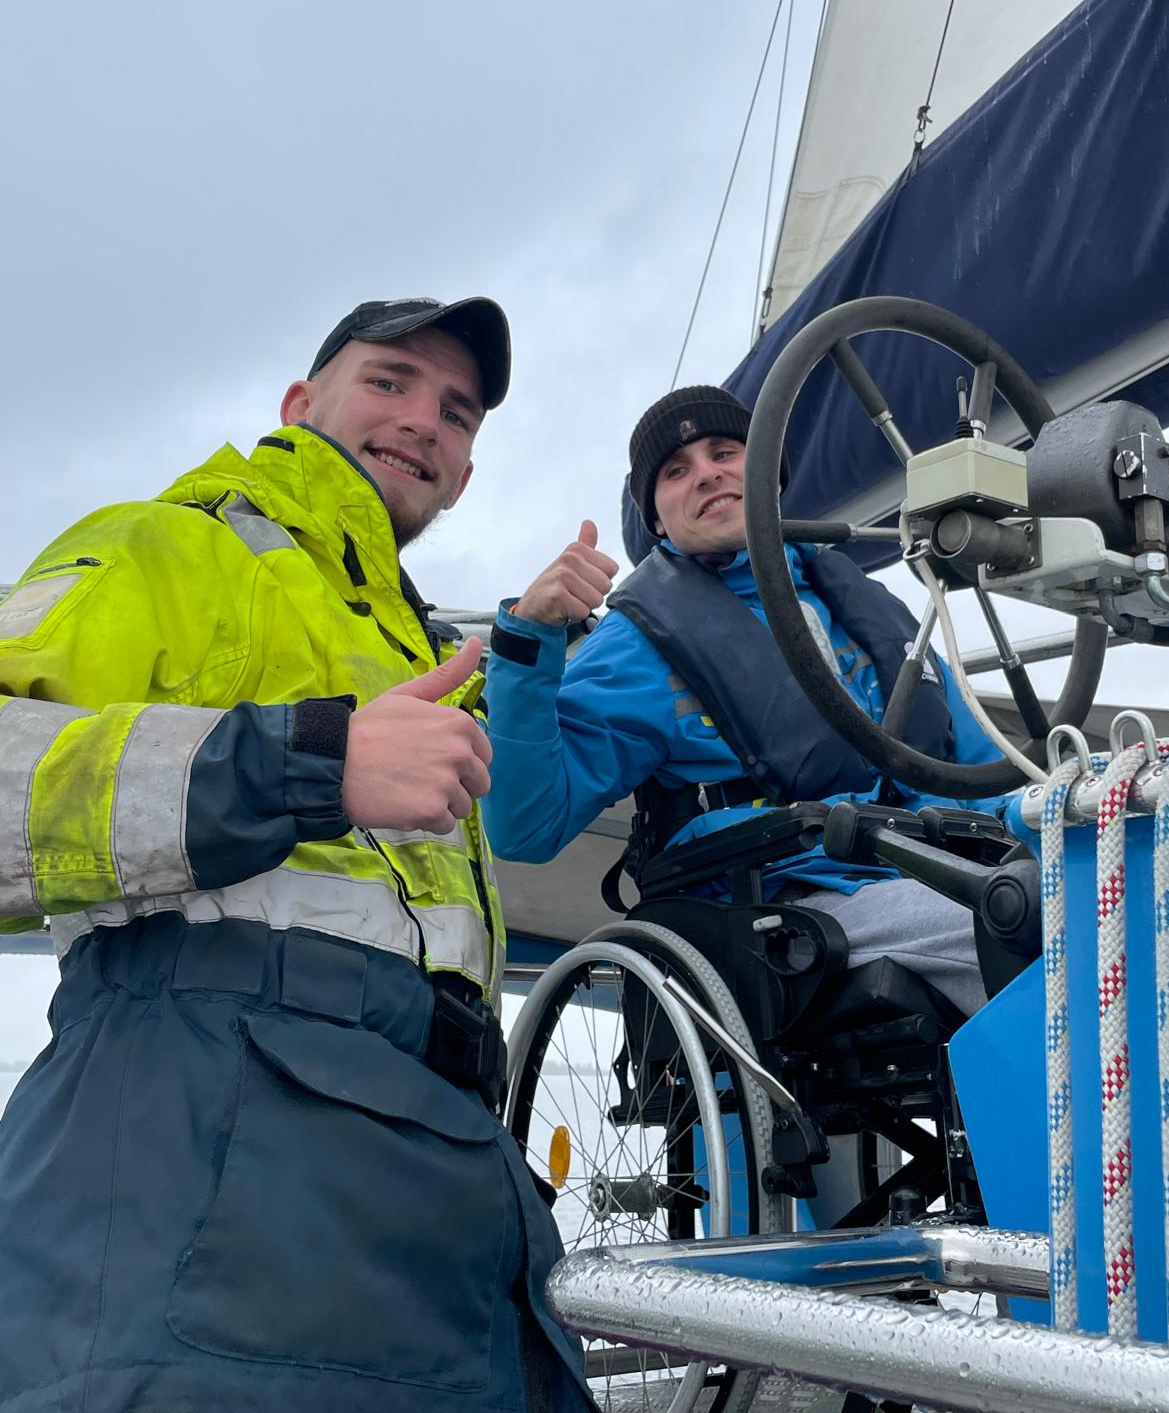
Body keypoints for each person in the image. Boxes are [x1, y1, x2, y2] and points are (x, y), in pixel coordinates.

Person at [0, 298, 593, 1413]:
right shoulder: (176, 545)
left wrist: (527, 641)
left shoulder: (410, 647)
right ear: (298, 404)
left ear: (466, 474)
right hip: (219, 1181)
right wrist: (301, 762)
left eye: (456, 411)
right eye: (389, 381)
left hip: (450, 1197)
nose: (421, 420)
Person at [483, 384, 1004, 1018]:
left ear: (767, 476)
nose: (706, 474)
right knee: (1029, 934)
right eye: (676, 471)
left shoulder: (873, 611)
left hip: (945, 872)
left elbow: (979, 777)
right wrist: (529, 638)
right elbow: (525, 826)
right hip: (788, 908)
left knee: (1090, 892)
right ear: (656, 520)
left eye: (724, 452)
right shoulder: (637, 645)